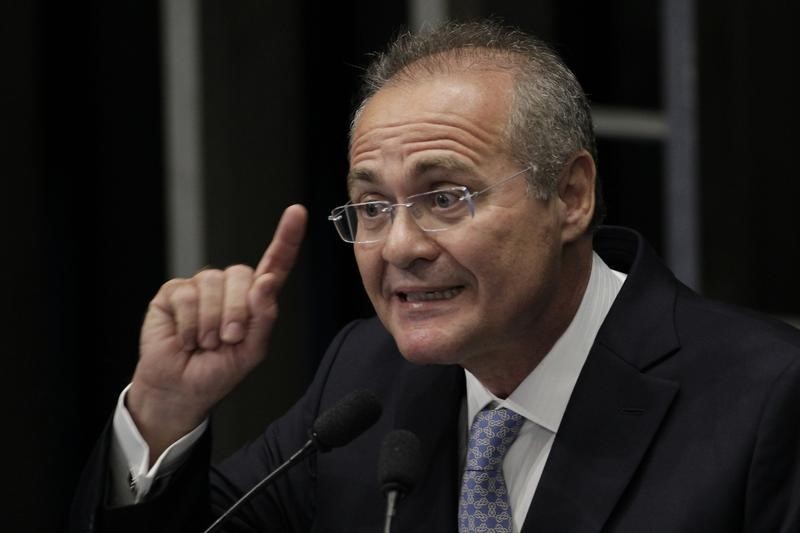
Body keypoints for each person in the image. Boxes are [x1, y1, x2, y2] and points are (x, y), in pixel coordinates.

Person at [71, 20, 800, 532]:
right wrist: (163, 413)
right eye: (371, 206)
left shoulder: (767, 401)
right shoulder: (364, 378)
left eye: (445, 197)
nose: (400, 246)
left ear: (571, 196)